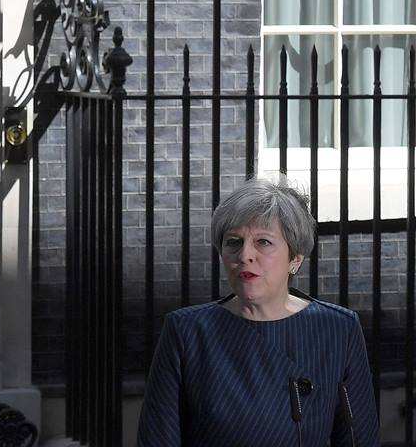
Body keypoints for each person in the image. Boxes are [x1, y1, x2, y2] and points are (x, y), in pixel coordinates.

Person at [136, 177, 380, 446]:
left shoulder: (339, 329)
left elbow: (360, 439)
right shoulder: (186, 332)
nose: (244, 255)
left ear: (295, 259)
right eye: (234, 242)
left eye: (263, 241)